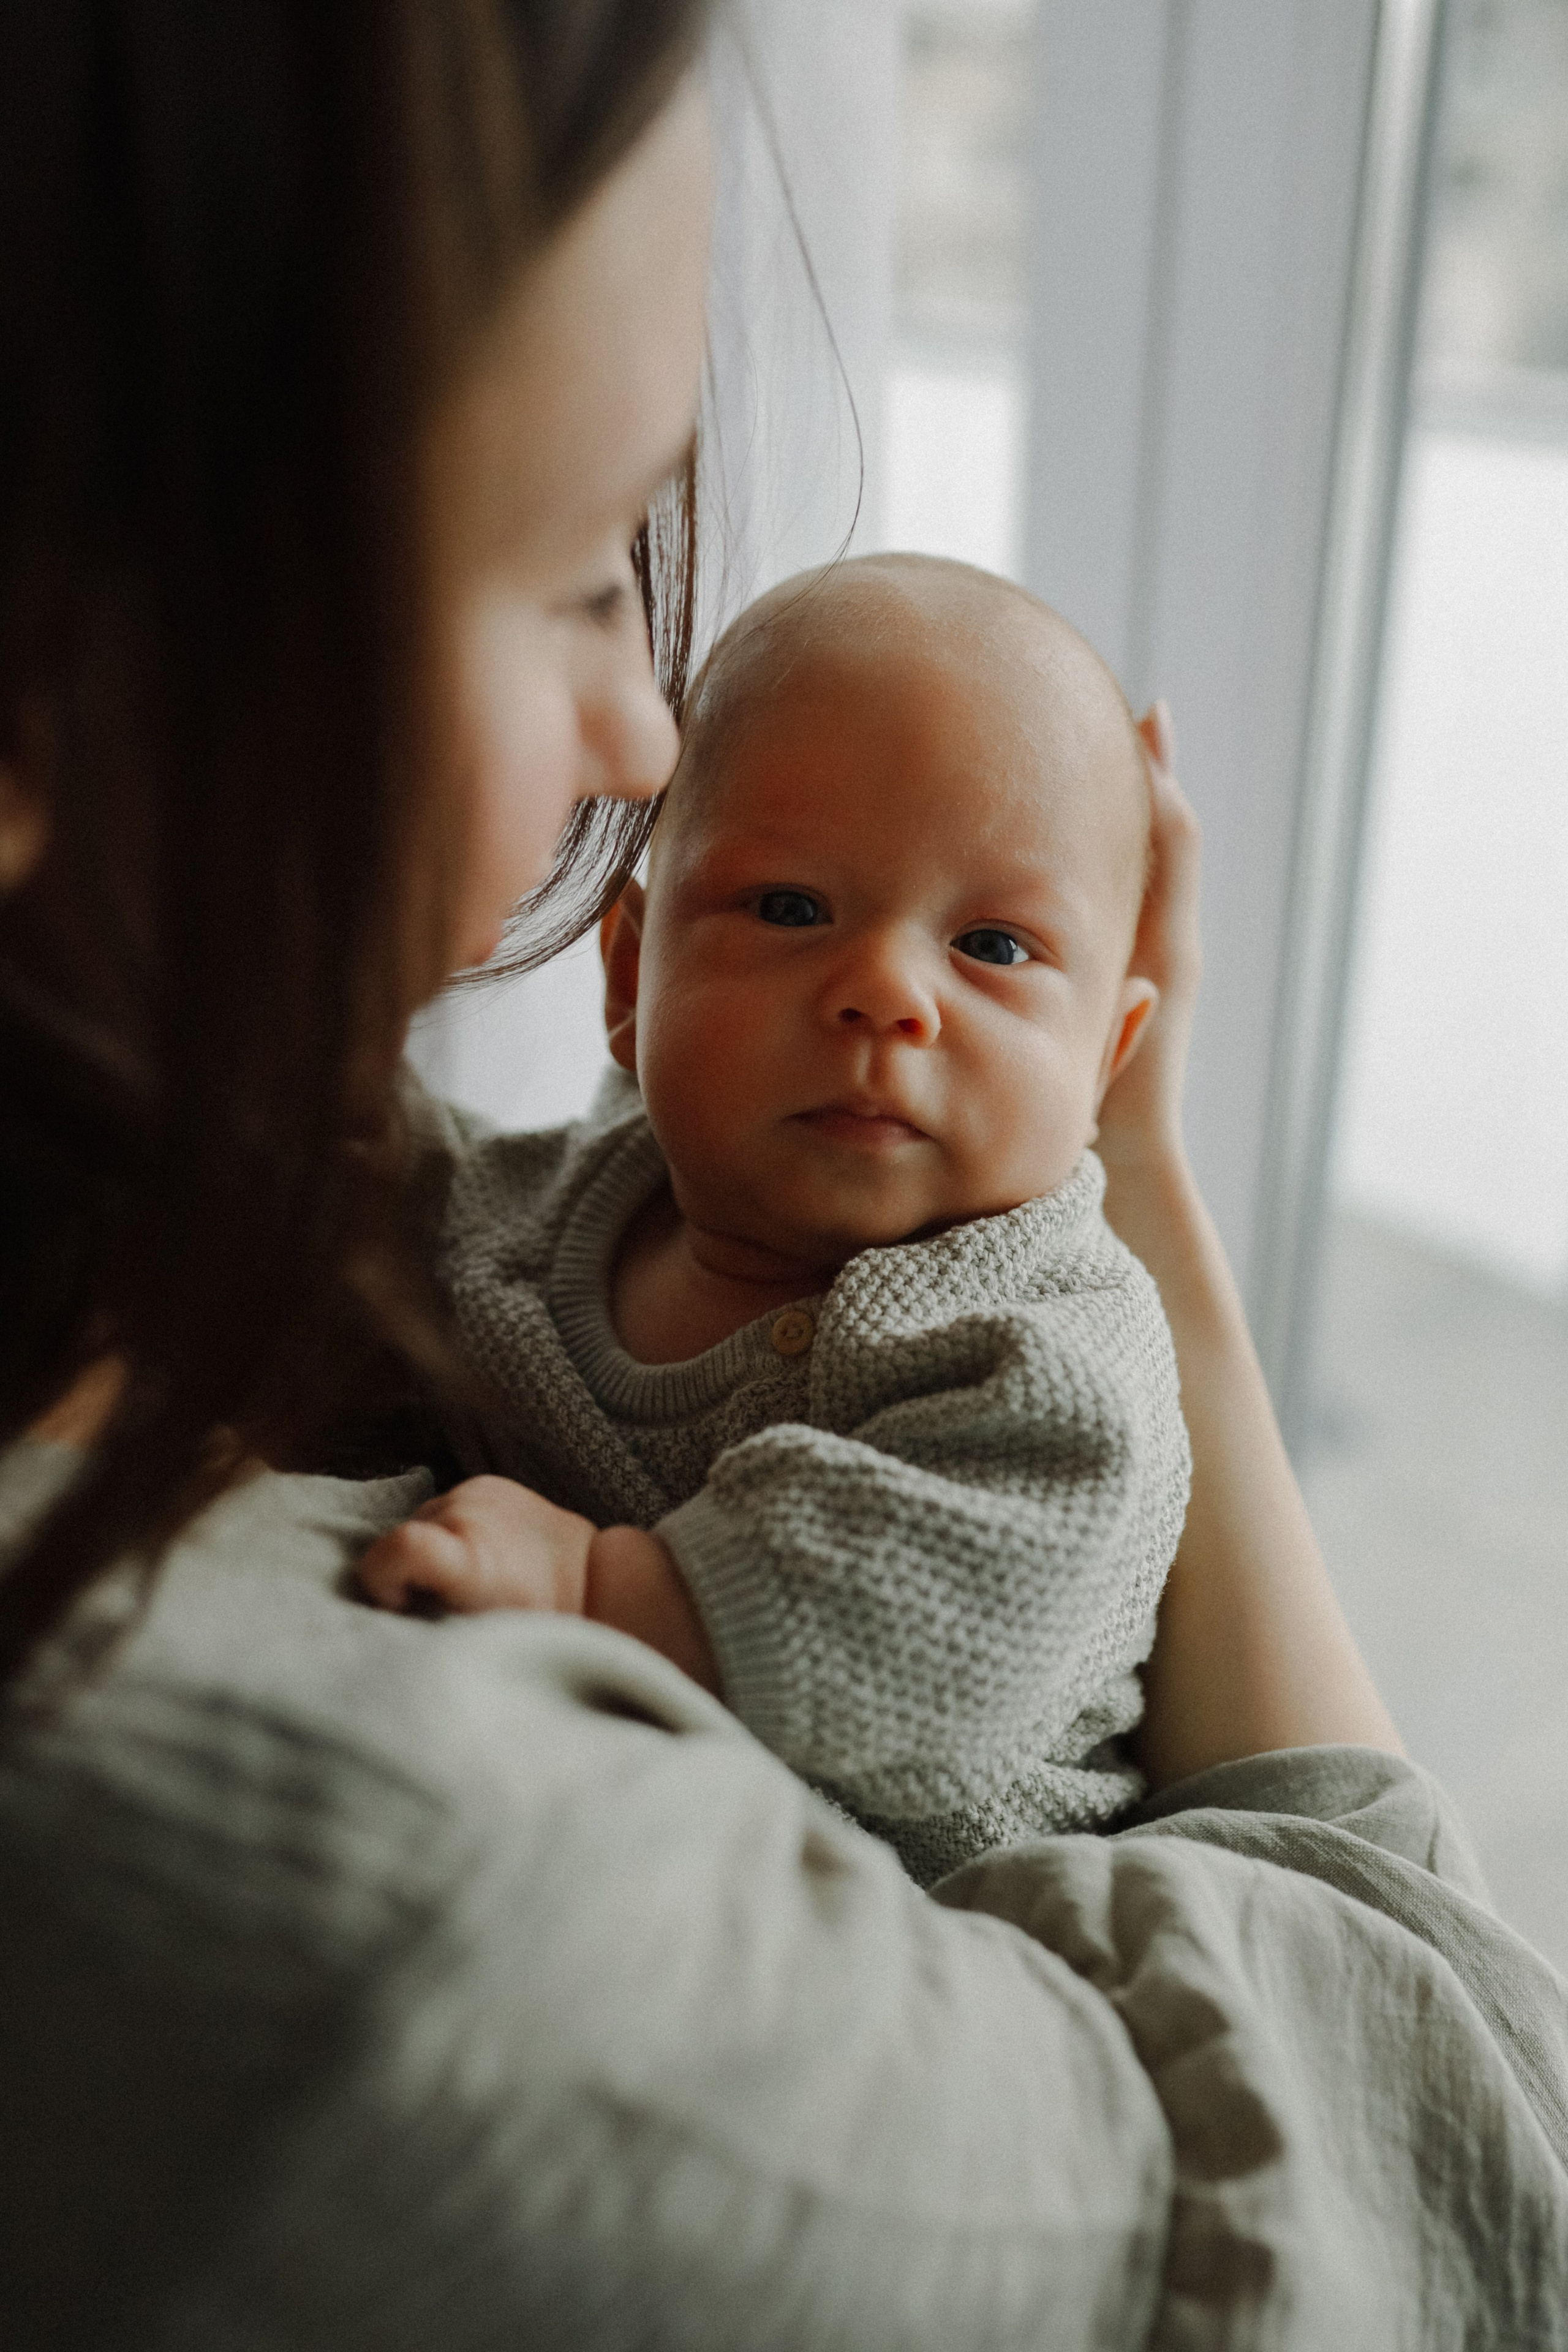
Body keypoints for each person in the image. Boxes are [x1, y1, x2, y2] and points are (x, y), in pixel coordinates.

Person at [2, 6, 1566, 2345]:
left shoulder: (1011, 1351)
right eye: (565, 566)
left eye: (1003, 945)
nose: (641, 722)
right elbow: (1479, 2173)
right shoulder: (379, 1933)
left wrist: (1118, 1215)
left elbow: (955, 1558)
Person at [356, 554, 1194, 1888]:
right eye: (791, 908)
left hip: (944, 1913)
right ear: (629, 977)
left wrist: (600, 1592)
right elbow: (410, 1202)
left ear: (1105, 1054)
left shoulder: (1041, 1345)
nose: (883, 991)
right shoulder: (569, 1206)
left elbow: (955, 1612)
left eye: (991, 946)